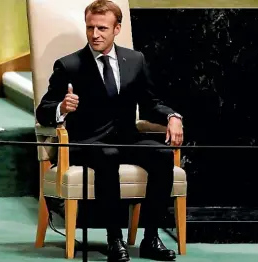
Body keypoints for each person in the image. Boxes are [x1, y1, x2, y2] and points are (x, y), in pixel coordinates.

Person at [36, 0, 184, 261]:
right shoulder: (69, 65)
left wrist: (172, 116)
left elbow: (151, 104)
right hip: (87, 143)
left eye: (102, 28)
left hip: (126, 139)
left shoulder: (135, 60)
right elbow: (43, 111)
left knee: (161, 155)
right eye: (90, 27)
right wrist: (62, 107)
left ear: (117, 29)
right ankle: (114, 240)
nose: (95, 34)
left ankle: (151, 238)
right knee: (108, 156)